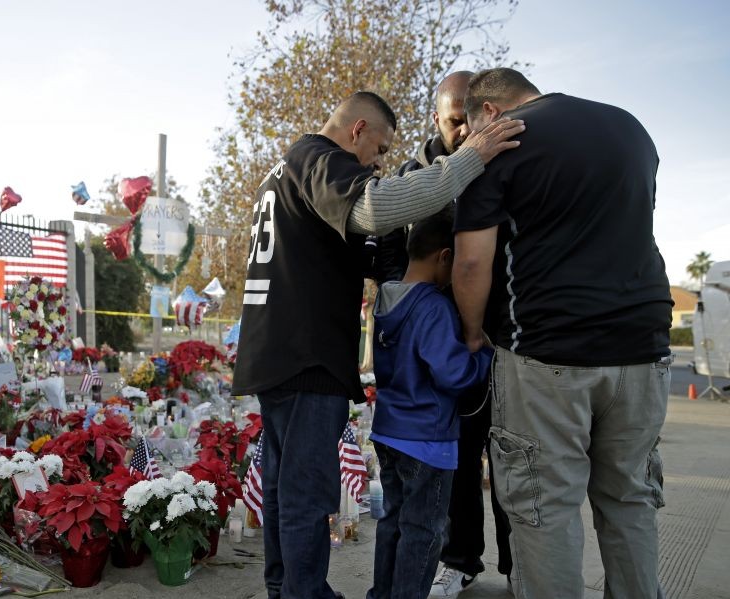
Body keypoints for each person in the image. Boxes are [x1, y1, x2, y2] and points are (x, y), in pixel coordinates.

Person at [230, 90, 524, 599]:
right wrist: (469, 159)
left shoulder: (286, 171)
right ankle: (303, 594)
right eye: (381, 149)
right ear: (358, 130)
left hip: (274, 352)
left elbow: (353, 247)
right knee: (304, 493)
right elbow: (375, 207)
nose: (380, 162)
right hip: (307, 355)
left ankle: (286, 588)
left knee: (281, 487)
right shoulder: (320, 159)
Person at [452, 68, 673, 599]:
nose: (466, 136)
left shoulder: (496, 145)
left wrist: (474, 334)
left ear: (489, 113)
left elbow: (470, 262)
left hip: (547, 352)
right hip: (644, 347)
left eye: (467, 123)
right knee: (630, 502)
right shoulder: (631, 129)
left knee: (543, 509)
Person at [367, 206, 493, 599]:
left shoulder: (386, 299)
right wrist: (483, 355)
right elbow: (453, 374)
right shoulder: (433, 306)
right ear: (445, 257)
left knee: (392, 522)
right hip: (428, 441)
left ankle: (382, 594)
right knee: (424, 531)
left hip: (388, 430)